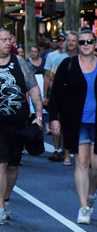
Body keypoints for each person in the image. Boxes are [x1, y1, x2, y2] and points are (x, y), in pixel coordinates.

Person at [0, 25, 43, 226]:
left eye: (9, 40)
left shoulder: (19, 62)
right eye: (3, 40)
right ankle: (0, 207)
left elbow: (34, 89)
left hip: (19, 122)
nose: (8, 43)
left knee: (12, 165)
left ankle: (6, 197)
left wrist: (39, 116)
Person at [49, 30, 97, 224]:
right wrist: (54, 118)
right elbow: (56, 94)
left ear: (95, 43)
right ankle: (84, 206)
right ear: (77, 45)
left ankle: (91, 193)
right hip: (76, 123)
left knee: (95, 166)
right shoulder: (67, 65)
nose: (86, 44)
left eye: (89, 41)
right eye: (82, 41)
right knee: (82, 163)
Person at [46, 32, 78, 164]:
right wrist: (52, 96)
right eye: (68, 40)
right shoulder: (59, 59)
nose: (70, 43)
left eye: (74, 41)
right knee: (63, 125)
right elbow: (52, 78)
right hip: (63, 98)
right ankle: (64, 154)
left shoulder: (84, 58)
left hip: (79, 98)